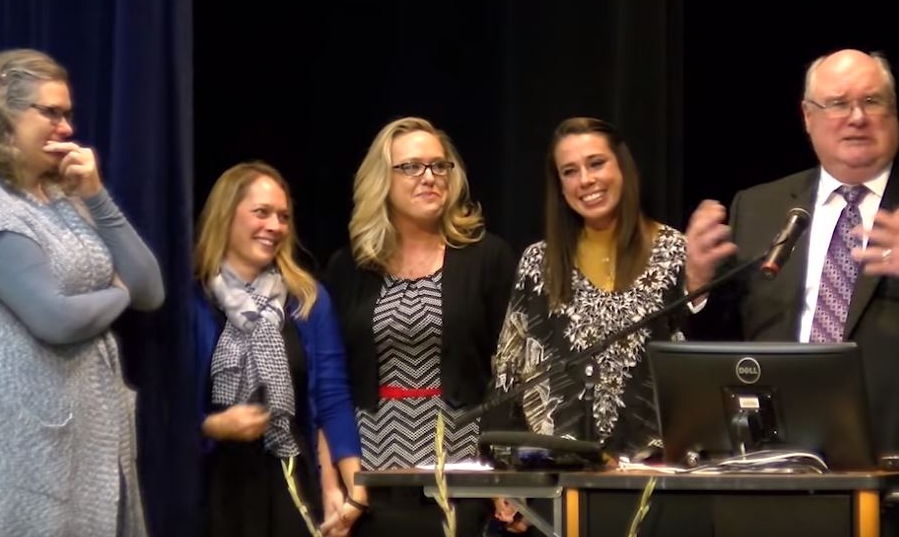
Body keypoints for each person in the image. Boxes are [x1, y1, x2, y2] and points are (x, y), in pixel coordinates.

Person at [684, 49, 899, 535]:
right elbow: (720, 338)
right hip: (776, 465)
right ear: (808, 117)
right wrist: (697, 284)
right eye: (837, 103)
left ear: (895, 112)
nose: (857, 117)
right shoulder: (758, 207)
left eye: (872, 101)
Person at [0, 48, 165, 535]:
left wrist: (96, 196)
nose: (66, 128)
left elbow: (150, 289)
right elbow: (55, 319)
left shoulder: (65, 199)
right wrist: (118, 292)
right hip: (11, 450)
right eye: (51, 112)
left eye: (67, 114)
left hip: (82, 445)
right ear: (0, 116)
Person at [323, 116, 516, 536]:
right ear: (382, 181)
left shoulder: (487, 258)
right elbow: (330, 382)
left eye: (439, 165)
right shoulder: (350, 267)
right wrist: (336, 483)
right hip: (370, 484)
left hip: (461, 479)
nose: (429, 177)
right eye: (411, 167)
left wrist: (503, 473)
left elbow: (511, 373)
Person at [491, 116, 687, 460]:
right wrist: (509, 466)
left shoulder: (674, 251)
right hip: (558, 473)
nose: (585, 180)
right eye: (570, 171)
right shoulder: (539, 262)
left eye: (596, 163)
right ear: (559, 185)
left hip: (653, 474)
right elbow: (510, 373)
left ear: (623, 167)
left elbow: (695, 369)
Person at [192, 161, 366, 537]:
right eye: (262, 212)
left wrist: (349, 487)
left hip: (291, 480)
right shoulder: (193, 301)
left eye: (283, 217)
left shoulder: (307, 300)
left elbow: (332, 398)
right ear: (226, 216)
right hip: (211, 487)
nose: (275, 226)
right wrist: (212, 425)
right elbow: (163, 410)